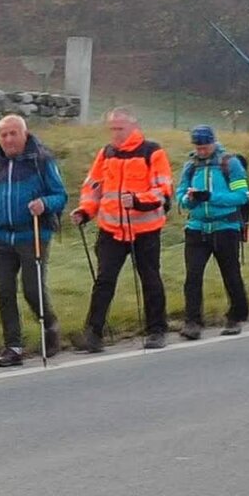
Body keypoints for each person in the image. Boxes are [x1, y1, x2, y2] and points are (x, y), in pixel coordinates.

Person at [0, 114, 67, 367]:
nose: (8, 139)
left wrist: (44, 203)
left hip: (33, 234)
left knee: (32, 289)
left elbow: (60, 195)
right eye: (3, 135)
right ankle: (13, 347)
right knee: (4, 291)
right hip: (1, 237)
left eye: (13, 133)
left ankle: (50, 326)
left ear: (24, 134)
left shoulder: (41, 159)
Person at [70, 107, 173, 352]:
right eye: (112, 129)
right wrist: (85, 211)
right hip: (111, 230)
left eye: (120, 128)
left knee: (150, 279)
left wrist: (137, 201)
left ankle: (157, 330)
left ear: (133, 127)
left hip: (145, 231)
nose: (115, 133)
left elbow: (163, 191)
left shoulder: (152, 151)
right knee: (104, 281)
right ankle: (93, 334)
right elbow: (92, 188)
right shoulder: (106, 153)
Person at [175, 125, 249, 339]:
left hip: (225, 227)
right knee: (193, 276)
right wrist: (188, 199)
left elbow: (241, 196)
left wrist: (210, 197)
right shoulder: (191, 166)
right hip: (197, 228)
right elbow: (180, 193)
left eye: (205, 146)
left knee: (231, 274)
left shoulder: (230, 163)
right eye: (197, 147)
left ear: (213, 143)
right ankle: (192, 322)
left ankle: (236, 316)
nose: (201, 151)